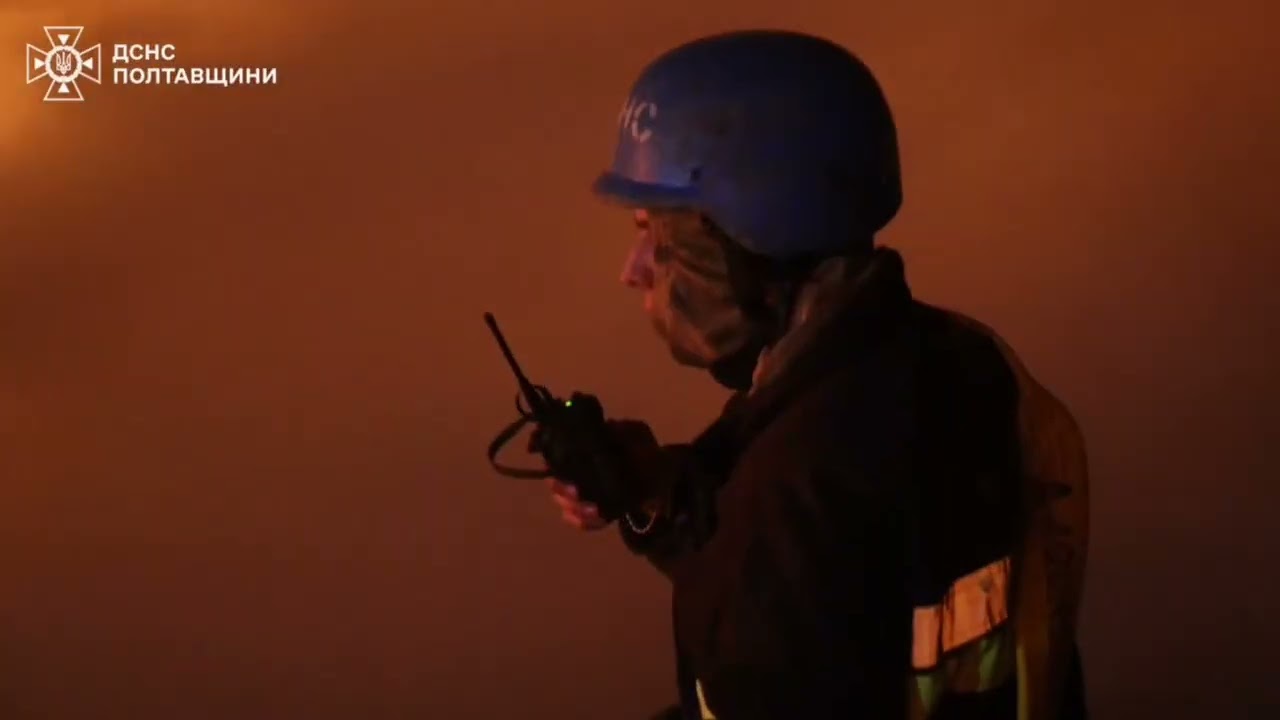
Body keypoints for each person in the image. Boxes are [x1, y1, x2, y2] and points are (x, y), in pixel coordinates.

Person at [544, 29, 1089, 720]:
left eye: (655, 233)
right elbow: (830, 577)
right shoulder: (959, 363)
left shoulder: (795, 488)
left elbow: (784, 559)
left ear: (753, 233)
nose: (634, 271)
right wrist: (656, 491)